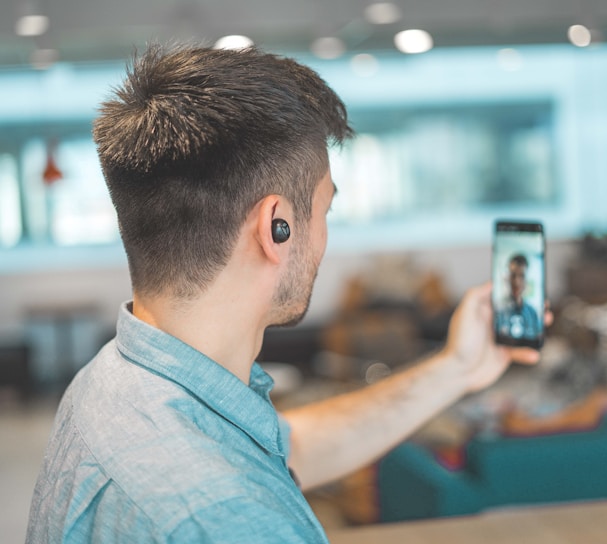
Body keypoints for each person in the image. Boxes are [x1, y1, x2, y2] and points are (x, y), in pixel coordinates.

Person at [26, 43, 547, 543]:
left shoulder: (114, 382)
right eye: (325, 209)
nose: (324, 234)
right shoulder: (234, 519)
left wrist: (459, 366)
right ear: (277, 226)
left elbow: (283, 449)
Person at [496, 253, 541, 340]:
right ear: (507, 278)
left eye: (522, 276)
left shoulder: (532, 313)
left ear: (526, 280)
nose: (517, 282)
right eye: (513, 276)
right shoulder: (498, 311)